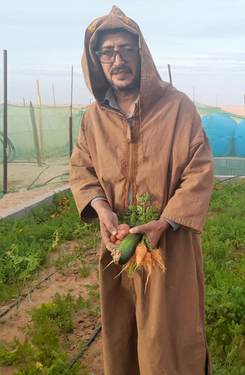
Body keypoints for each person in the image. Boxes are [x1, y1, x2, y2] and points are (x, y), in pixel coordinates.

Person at [69, 6, 214, 375]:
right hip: (119, 245)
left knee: (170, 338)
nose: (117, 60)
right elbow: (82, 169)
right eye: (107, 52)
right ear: (97, 60)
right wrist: (102, 210)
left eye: (124, 49)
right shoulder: (92, 117)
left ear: (141, 53)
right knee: (122, 332)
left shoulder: (178, 108)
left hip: (168, 247)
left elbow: (199, 171)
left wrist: (164, 223)